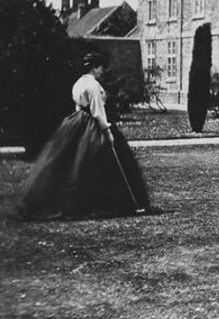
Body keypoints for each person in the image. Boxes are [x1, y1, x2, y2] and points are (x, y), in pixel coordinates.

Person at [15, 52, 151, 219]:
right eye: (101, 67)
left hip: (76, 122)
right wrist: (107, 131)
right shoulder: (93, 85)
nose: (103, 71)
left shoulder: (79, 83)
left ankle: (73, 203)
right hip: (92, 124)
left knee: (74, 162)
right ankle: (106, 203)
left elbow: (78, 107)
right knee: (99, 162)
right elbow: (97, 112)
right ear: (94, 67)